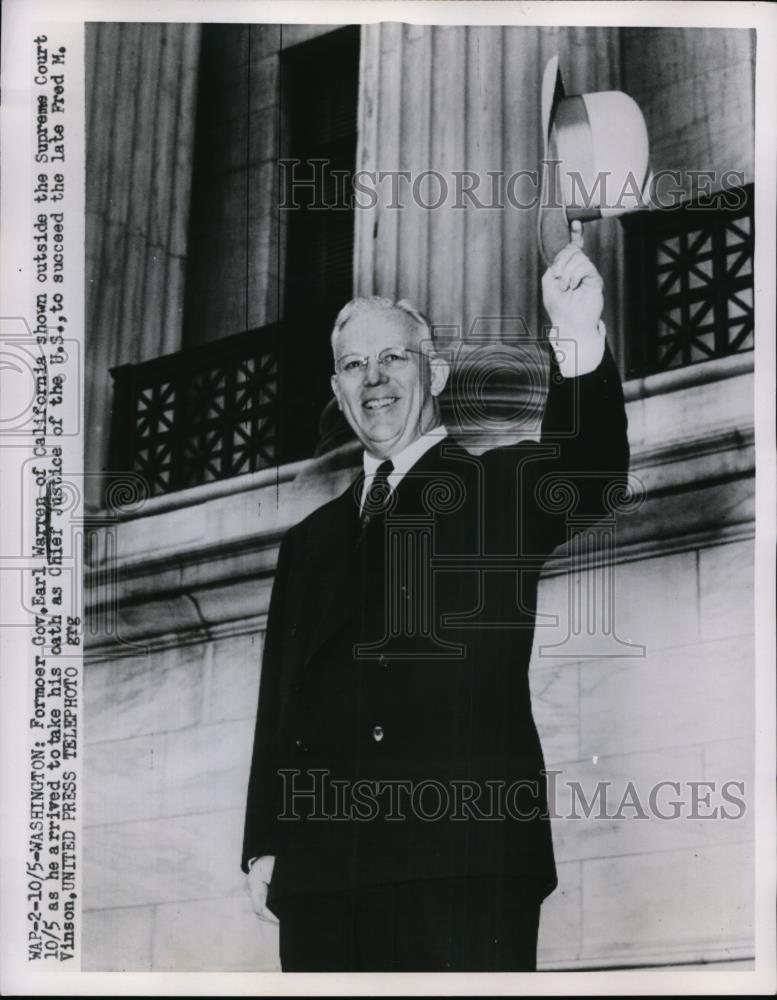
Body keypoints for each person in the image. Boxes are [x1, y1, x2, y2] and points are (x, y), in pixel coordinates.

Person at [241, 221, 629, 971]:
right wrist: (264, 841)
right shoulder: (310, 542)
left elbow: (591, 467)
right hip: (326, 870)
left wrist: (576, 334)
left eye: (394, 357)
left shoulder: (496, 488)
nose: (374, 378)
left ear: (438, 373)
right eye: (354, 365)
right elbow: (280, 703)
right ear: (336, 390)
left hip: (462, 858)